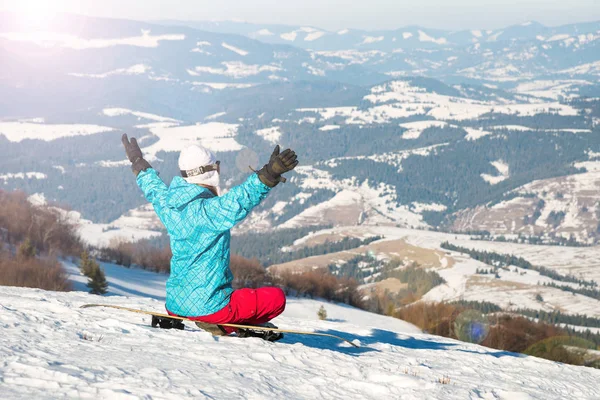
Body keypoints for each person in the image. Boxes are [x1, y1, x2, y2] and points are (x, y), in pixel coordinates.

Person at [121, 134, 298, 341]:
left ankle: (207, 315)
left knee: (236, 294)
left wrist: (137, 161)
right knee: (275, 298)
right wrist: (269, 174)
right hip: (211, 308)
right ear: (211, 172)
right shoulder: (209, 211)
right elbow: (241, 199)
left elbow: (153, 188)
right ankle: (225, 323)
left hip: (175, 304)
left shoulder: (169, 205)